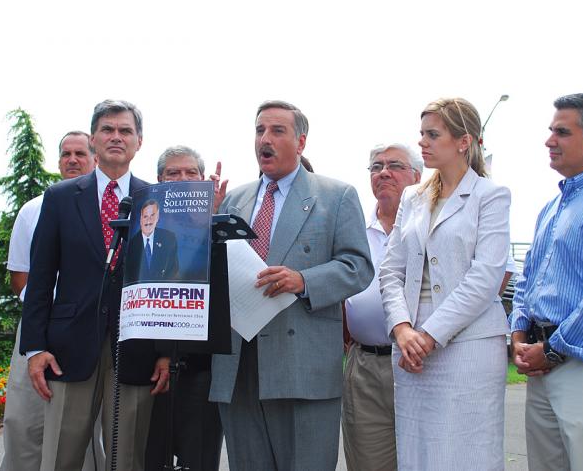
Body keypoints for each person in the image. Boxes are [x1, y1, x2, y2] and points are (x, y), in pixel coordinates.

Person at [210, 100, 373, 471]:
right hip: (239, 366)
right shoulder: (234, 199)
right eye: (259, 130)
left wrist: (303, 280)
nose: (264, 139)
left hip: (303, 368)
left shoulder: (337, 196)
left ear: (301, 142)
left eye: (277, 131)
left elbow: (359, 267)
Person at [21, 100, 169, 471]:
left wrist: (167, 351)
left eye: (125, 131)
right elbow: (40, 278)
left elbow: (167, 281)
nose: (116, 137)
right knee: (61, 458)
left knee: (128, 458)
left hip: (137, 346)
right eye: (107, 129)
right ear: (93, 139)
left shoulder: (158, 200)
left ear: (139, 141)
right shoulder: (59, 198)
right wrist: (35, 347)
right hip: (69, 347)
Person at [380, 98, 511, 471]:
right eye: (422, 133)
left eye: (432, 134)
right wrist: (403, 329)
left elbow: (485, 277)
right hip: (410, 351)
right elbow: (390, 270)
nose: (422, 142)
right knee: (418, 453)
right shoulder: (412, 196)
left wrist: (430, 334)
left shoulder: (492, 196)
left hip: (468, 347)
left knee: (467, 453)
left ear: (463, 141)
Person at [509, 93, 583, 471]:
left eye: (562, 131)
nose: (549, 141)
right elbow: (528, 281)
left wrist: (554, 350)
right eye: (550, 131)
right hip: (544, 360)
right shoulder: (552, 207)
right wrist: (519, 334)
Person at [0, 131, 100, 471]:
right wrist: (47, 320)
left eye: (80, 153)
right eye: (65, 154)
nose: (72, 160)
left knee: (81, 425)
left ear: (95, 157)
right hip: (39, 326)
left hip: (87, 329)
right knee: (24, 421)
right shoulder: (34, 209)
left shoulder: (112, 208)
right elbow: (20, 276)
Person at [144, 145, 226, 471]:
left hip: (203, 367)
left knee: (199, 458)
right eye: (173, 173)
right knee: (151, 457)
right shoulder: (145, 227)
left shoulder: (221, 224)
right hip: (150, 369)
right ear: (159, 181)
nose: (183, 179)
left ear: (203, 180)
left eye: (191, 173)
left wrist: (207, 223)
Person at [342, 143, 422, 471]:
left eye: (394, 166)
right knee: (368, 462)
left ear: (418, 176)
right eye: (376, 167)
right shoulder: (353, 232)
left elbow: (498, 274)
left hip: (420, 362)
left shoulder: (434, 223)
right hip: (364, 364)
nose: (383, 172)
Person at [125, 199, 179, 282]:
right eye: (145, 216)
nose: (149, 221)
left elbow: (173, 271)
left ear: (157, 218)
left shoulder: (169, 239)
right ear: (141, 219)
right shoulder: (131, 244)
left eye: (152, 216)